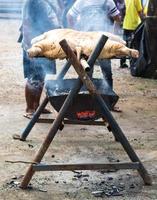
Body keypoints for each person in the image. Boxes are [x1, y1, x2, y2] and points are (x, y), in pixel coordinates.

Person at [19, 0, 61, 118]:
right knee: (33, 77)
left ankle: (37, 106)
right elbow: (26, 23)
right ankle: (29, 108)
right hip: (33, 44)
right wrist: (29, 47)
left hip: (45, 43)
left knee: (42, 76)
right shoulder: (30, 2)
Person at [66, 0, 121, 89]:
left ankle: (108, 93)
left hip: (102, 41)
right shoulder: (82, 1)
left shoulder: (108, 1)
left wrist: (113, 35)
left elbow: (117, 18)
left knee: (105, 69)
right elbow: (70, 16)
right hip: (87, 41)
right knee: (88, 69)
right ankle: (88, 91)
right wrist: (75, 33)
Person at [120, 0, 144, 68]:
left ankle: (122, 62)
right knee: (133, 45)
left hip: (126, 24)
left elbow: (123, 10)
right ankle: (132, 64)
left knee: (125, 44)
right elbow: (140, 12)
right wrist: (144, 22)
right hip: (134, 25)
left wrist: (122, 21)